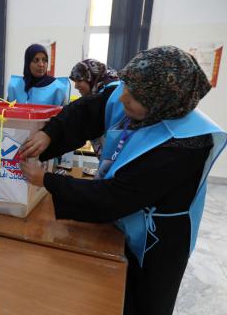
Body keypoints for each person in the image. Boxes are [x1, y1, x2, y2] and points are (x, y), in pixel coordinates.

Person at [19, 46, 226, 315]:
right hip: (120, 223)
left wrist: (47, 181)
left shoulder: (187, 144)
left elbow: (116, 197)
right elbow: (87, 110)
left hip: (158, 243)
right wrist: (50, 133)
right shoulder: (134, 93)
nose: (123, 97)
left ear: (160, 100)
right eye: (126, 85)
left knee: (141, 301)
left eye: (133, 95)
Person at [69, 59, 121, 158]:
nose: (75, 86)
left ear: (91, 78)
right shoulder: (112, 90)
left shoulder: (105, 97)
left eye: (79, 80)